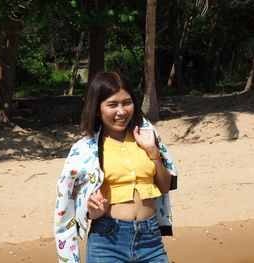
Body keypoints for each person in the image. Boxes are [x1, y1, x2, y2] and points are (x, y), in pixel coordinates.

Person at [54, 72, 178, 263]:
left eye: (127, 102)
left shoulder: (147, 136)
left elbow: (164, 186)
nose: (122, 111)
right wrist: (91, 211)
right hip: (107, 240)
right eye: (112, 105)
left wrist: (153, 152)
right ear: (97, 109)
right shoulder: (84, 150)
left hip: (150, 239)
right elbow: (69, 202)